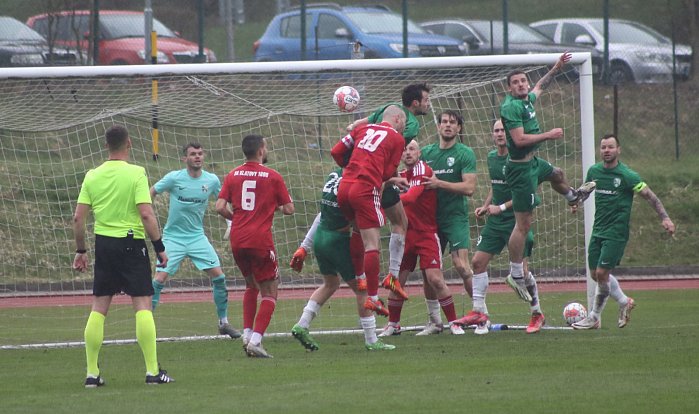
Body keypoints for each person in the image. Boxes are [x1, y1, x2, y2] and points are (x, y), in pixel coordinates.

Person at [72, 125, 173, 387]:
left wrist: (81, 250)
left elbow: (78, 218)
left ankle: (91, 374)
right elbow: (146, 214)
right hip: (131, 244)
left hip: (104, 245)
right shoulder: (136, 173)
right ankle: (152, 372)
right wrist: (159, 247)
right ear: (128, 143)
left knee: (99, 307)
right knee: (142, 305)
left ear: (106, 145)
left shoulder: (92, 175)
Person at [500, 52, 595, 324]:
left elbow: (541, 86)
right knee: (523, 224)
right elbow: (518, 140)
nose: (521, 85)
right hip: (520, 169)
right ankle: (515, 273)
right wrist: (548, 135)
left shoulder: (527, 98)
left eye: (523, 81)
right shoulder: (510, 107)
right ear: (509, 87)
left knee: (557, 173)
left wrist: (555, 67)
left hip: (534, 163)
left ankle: (572, 195)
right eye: (515, 82)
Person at [572, 134, 675, 329]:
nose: (607, 150)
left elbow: (651, 197)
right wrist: (576, 203)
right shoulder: (594, 171)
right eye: (603, 147)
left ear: (618, 150)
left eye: (610, 147)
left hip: (616, 233)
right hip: (598, 230)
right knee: (595, 274)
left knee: (602, 273)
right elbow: (584, 192)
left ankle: (593, 317)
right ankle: (623, 302)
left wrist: (665, 218)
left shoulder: (628, 176)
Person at [289, 168, 395, 351]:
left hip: (321, 236)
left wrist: (304, 246)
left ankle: (302, 324)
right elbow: (359, 223)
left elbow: (321, 214)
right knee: (362, 290)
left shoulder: (334, 175)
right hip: (338, 241)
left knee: (330, 284)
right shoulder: (356, 182)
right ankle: (371, 340)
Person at [453, 120, 543, 334]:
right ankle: (479, 314)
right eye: (496, 130)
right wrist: (486, 206)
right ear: (492, 135)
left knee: (522, 272)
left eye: (503, 130)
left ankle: (537, 312)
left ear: (511, 134)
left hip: (517, 221)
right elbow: (497, 186)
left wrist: (500, 208)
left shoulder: (521, 159)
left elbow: (525, 195)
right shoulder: (492, 157)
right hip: (496, 221)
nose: (500, 133)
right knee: (477, 262)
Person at [344, 83, 432, 300]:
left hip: (356, 172)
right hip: (376, 178)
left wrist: (355, 125)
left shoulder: (389, 107)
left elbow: (365, 121)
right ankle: (390, 276)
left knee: (359, 227)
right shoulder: (410, 126)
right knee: (397, 224)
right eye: (426, 100)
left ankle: (362, 275)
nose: (429, 104)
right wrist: (390, 179)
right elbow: (389, 152)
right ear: (415, 103)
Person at [149, 143, 240, 339]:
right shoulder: (174, 178)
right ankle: (146, 324)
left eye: (200, 153)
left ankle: (223, 323)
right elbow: (151, 192)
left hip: (197, 237)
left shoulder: (212, 180)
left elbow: (223, 202)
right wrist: (144, 212)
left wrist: (231, 223)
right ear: (185, 159)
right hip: (173, 238)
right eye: (192, 154)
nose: (197, 157)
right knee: (159, 279)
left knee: (219, 278)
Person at [215, 135, 294, 358]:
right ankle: (256, 341)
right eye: (266, 147)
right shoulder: (273, 176)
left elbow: (219, 206)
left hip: (238, 239)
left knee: (251, 285)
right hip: (260, 240)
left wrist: (237, 218)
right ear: (260, 151)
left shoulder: (233, 174)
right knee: (270, 291)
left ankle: (247, 335)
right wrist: (270, 207)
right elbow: (289, 209)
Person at [380, 140, 465, 337]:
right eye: (404, 150)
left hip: (426, 234)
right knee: (396, 281)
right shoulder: (398, 175)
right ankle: (394, 324)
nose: (407, 153)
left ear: (419, 152)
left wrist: (387, 199)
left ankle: (453, 322)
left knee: (435, 278)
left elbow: (410, 197)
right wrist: (388, 185)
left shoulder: (423, 170)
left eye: (411, 149)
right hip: (404, 235)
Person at [331, 105, 407, 317]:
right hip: (365, 189)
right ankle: (373, 298)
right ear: (398, 120)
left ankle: (360, 278)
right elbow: (386, 172)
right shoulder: (398, 139)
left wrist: (349, 168)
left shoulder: (361, 129)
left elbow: (336, 151)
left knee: (357, 230)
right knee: (372, 244)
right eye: (405, 124)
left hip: (344, 186)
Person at [419, 110, 477, 333]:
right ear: (438, 126)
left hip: (455, 218)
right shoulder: (427, 153)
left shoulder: (464, 153)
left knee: (461, 266)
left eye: (453, 122)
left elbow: (469, 188)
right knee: (428, 273)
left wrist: (439, 183)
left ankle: (480, 312)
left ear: (459, 128)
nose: (448, 125)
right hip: (430, 219)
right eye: (444, 122)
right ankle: (434, 321)